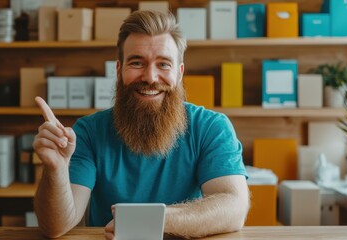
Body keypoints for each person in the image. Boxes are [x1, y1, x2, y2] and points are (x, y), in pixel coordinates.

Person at [33, 10, 249, 239]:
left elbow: (233, 209)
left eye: (164, 64)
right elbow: (55, 227)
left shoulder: (210, 127)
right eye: (137, 63)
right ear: (119, 70)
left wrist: (150, 221)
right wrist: (55, 169)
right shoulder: (88, 132)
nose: (151, 77)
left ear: (179, 73)